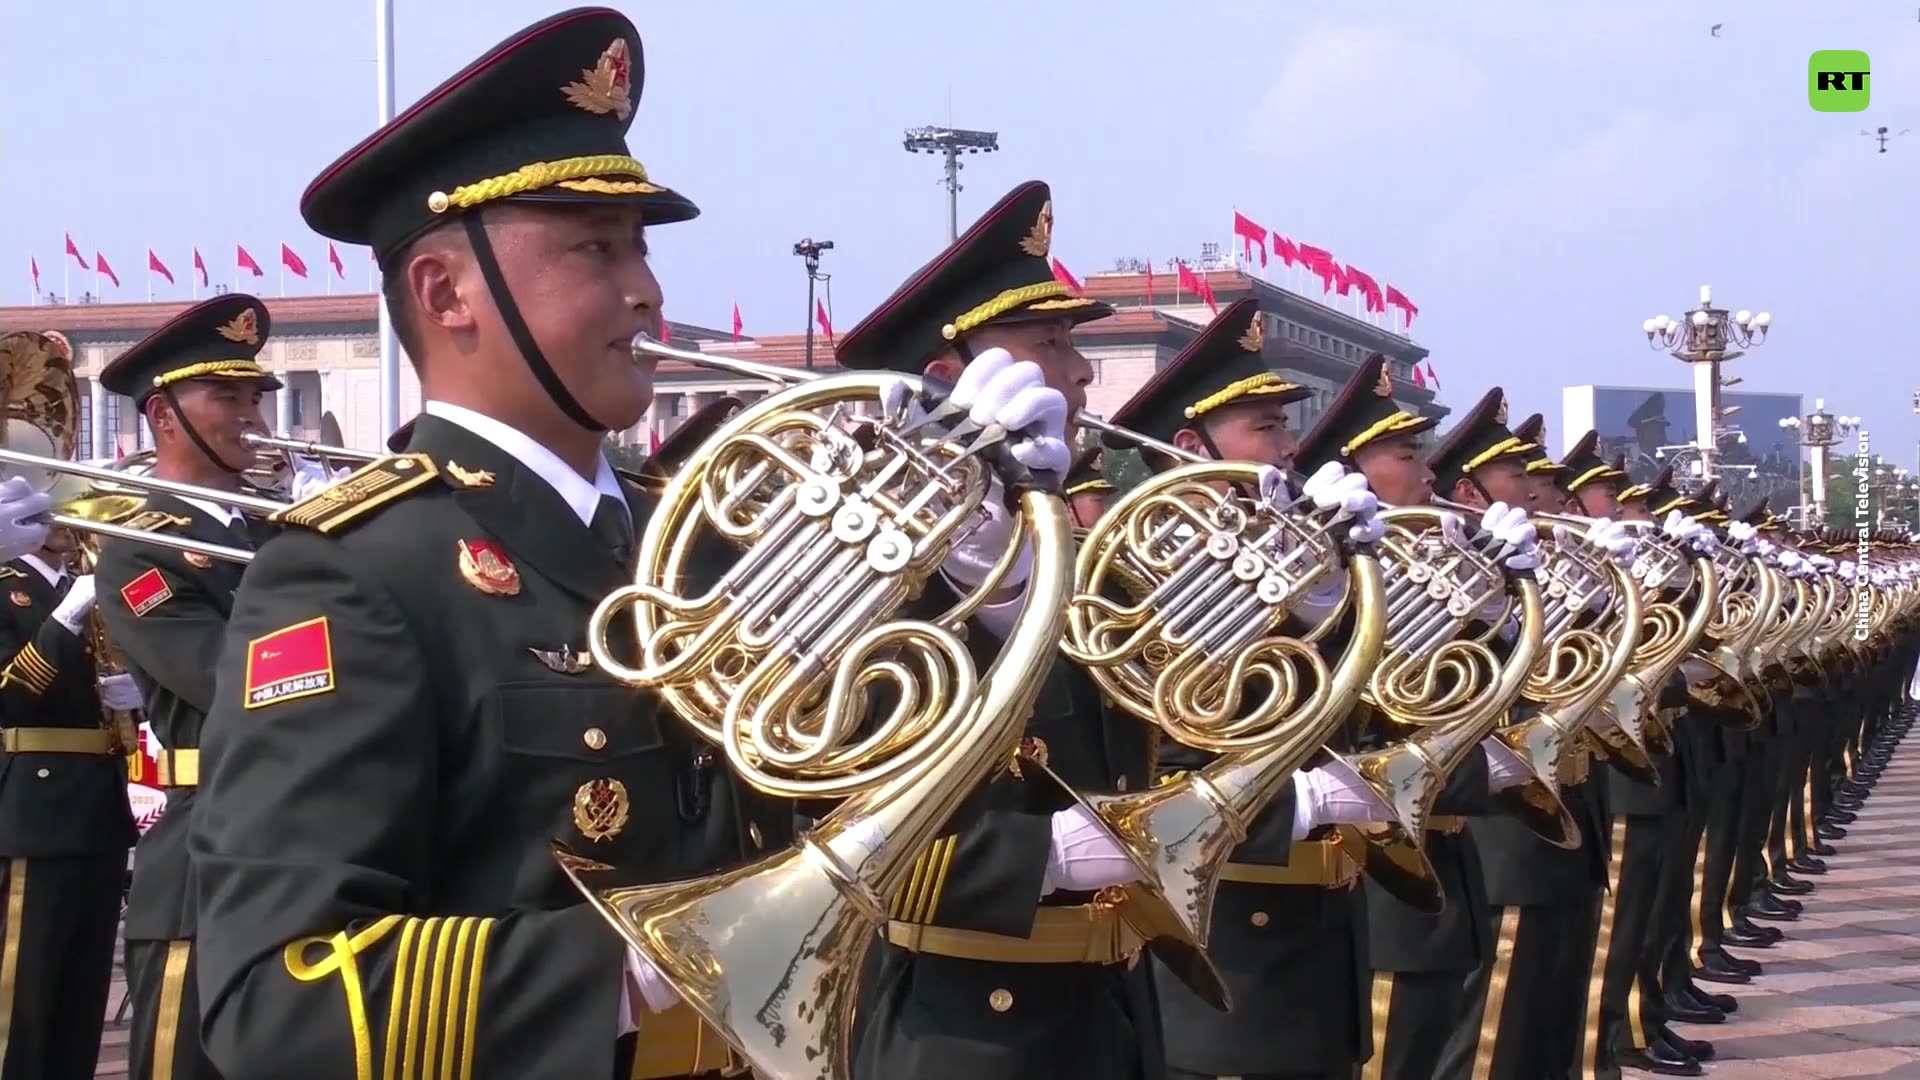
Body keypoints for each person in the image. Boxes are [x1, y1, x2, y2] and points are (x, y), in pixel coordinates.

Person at [186, 12, 1070, 1080]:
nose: (645, 287)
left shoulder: (683, 539)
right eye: (592, 249)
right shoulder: (356, 568)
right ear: (445, 292)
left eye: (641, 247)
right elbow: (278, 996)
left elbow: (874, 786)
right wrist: (650, 964)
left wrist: (986, 568)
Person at [832, 179, 1165, 1080]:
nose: (1082, 372)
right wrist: (1042, 855)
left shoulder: (1089, 561)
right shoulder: (866, 577)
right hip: (964, 1028)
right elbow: (832, 831)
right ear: (951, 380)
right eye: (1049, 344)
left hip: (1107, 1014)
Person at [1104, 298, 1391, 1080]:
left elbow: (1356, 713)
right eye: (1265, 429)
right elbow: (1152, 751)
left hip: (1316, 913)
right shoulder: (1131, 575)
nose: (1290, 449)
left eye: (1285, 428)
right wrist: (1290, 807)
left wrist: (1333, 605)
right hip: (1232, 913)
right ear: (1194, 447)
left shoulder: (1291, 558)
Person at [1293, 363, 1538, 1080]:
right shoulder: (1337, 577)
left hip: (1440, 843)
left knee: (1441, 1045)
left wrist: (1496, 611)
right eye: (1407, 457)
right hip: (1372, 854)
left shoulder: (1428, 559)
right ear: (1352, 472)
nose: (1427, 473)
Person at [90, 293, 291, 1080]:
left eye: (253, 396)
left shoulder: (272, 529)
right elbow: (229, 679)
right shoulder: (142, 548)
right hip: (208, 851)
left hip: (299, 845)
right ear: (164, 413)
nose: (249, 414)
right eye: (226, 396)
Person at [0, 493, 142, 1079]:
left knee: (82, 991)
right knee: (25, 990)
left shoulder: (85, 585)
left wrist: (141, 699)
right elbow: (9, 692)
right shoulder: (7, 586)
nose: (63, 520)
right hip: (37, 804)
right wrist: (64, 621)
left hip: (98, 804)